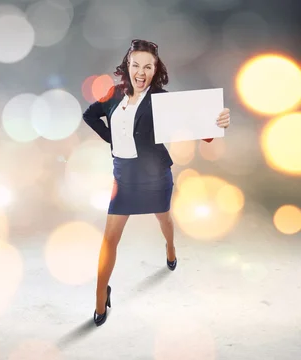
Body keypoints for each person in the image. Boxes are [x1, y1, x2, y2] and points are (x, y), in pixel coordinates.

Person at [82, 39, 231, 326]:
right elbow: (89, 115)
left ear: (154, 69)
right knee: (109, 239)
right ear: (128, 66)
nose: (140, 71)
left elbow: (204, 131)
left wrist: (220, 120)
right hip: (123, 178)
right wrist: (112, 139)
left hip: (155, 176)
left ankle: (171, 248)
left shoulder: (163, 101)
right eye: (135, 65)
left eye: (147, 66)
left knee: (164, 220)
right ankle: (101, 298)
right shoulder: (114, 94)